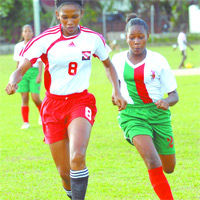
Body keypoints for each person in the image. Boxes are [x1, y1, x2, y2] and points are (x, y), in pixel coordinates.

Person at [5, 0, 127, 199]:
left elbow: (108, 65)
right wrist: (13, 81)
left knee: (77, 156)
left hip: (80, 102)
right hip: (53, 106)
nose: (70, 22)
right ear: (56, 15)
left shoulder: (93, 38)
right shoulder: (45, 39)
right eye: (65, 17)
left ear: (82, 14)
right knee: (64, 173)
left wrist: (117, 90)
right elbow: (21, 67)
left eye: (75, 16)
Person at [112, 13, 179, 200]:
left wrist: (166, 102)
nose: (136, 41)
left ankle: (153, 144)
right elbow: (115, 84)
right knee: (151, 159)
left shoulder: (158, 60)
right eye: (132, 37)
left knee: (169, 168)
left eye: (140, 37)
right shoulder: (117, 60)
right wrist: (116, 95)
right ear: (125, 37)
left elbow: (174, 95)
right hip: (132, 115)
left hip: (158, 114)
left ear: (148, 36)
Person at [13, 24, 43, 129]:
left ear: (32, 33)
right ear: (22, 33)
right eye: (25, 31)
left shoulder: (36, 45)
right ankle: (26, 122)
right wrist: (15, 78)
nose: (27, 33)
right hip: (22, 73)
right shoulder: (18, 46)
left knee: (35, 98)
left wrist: (39, 75)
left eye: (29, 31)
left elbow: (40, 62)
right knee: (24, 97)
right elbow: (18, 63)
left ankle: (42, 114)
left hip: (34, 72)